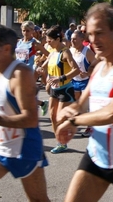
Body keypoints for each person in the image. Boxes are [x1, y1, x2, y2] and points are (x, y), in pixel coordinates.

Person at [55, 3, 113, 201]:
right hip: (96, 157)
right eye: (90, 34)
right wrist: (69, 112)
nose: (93, 40)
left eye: (99, 33)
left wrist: (75, 122)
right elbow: (82, 104)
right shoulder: (98, 68)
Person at [0, 22, 50, 201]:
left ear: (5, 49)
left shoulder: (20, 74)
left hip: (24, 149)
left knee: (38, 200)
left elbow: (30, 119)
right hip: (0, 147)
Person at [41, 25, 80, 154]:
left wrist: (61, 78)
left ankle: (62, 142)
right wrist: (46, 78)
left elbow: (76, 70)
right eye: (46, 41)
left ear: (57, 39)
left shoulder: (65, 52)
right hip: (54, 89)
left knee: (59, 118)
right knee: (52, 116)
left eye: (49, 41)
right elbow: (44, 67)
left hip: (65, 89)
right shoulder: (52, 53)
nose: (48, 43)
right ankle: (60, 141)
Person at [16, 21, 50, 115]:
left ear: (32, 31)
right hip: (18, 72)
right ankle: (42, 104)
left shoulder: (35, 44)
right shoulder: (19, 42)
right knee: (21, 95)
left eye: (28, 31)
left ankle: (26, 114)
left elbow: (49, 55)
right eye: (24, 30)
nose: (25, 33)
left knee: (21, 95)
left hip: (28, 72)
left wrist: (41, 61)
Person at [70, 30, 99, 137]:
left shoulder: (87, 52)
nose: (72, 41)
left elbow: (96, 65)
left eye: (74, 39)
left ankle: (90, 127)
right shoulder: (71, 50)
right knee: (77, 104)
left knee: (87, 105)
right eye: (71, 38)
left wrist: (87, 74)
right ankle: (78, 123)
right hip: (75, 80)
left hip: (86, 81)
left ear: (82, 40)